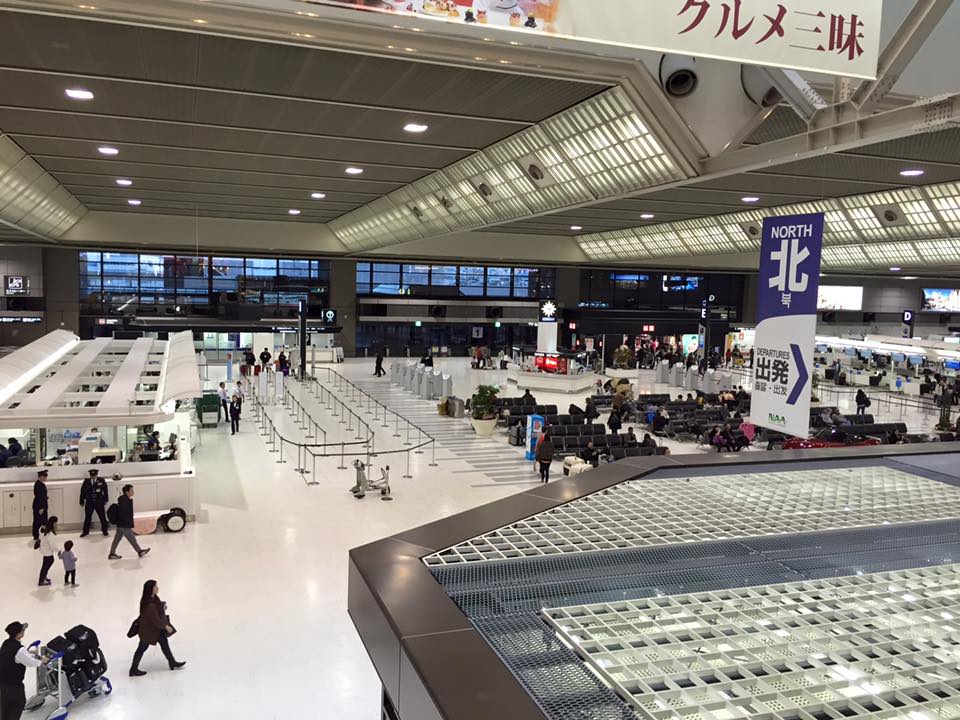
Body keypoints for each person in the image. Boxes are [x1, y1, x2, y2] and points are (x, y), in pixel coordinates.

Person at [129, 580, 185, 676]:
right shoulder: (150, 605)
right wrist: (166, 626)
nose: (157, 588)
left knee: (164, 644)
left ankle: (172, 662)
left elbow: (157, 607)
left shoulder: (152, 599)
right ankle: (133, 669)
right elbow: (156, 620)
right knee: (141, 649)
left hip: (154, 630)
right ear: (151, 589)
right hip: (149, 632)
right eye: (156, 586)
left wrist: (162, 606)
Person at [1, 621, 48, 720]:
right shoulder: (19, 649)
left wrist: (28, 652)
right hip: (14, 684)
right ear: (18, 634)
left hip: (3, 682)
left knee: (6, 706)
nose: (23, 632)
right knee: (19, 703)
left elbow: (16, 656)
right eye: (22, 630)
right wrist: (42, 661)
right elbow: (30, 662)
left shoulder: (6, 643)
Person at [109, 485, 150, 560]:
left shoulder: (125, 499)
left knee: (117, 539)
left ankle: (112, 554)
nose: (133, 492)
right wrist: (127, 524)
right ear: (127, 492)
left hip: (121, 524)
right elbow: (124, 514)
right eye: (131, 490)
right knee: (132, 539)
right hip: (124, 524)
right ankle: (139, 551)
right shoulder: (124, 501)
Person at [79, 468, 109, 537]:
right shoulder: (86, 481)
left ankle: (105, 530)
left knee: (102, 517)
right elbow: (82, 491)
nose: (93, 477)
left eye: (94, 475)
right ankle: (85, 531)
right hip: (89, 501)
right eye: (92, 475)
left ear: (96, 475)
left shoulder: (101, 480)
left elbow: (105, 490)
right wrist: (81, 501)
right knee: (88, 517)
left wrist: (106, 499)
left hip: (99, 501)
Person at [36, 517, 59, 586]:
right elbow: (52, 545)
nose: (56, 525)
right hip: (47, 550)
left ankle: (44, 576)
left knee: (49, 562)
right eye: (55, 523)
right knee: (46, 565)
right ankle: (41, 580)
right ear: (53, 523)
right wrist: (59, 551)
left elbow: (40, 534)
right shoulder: (50, 534)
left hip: (44, 549)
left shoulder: (45, 530)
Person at [31, 470, 48, 542]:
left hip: (42, 506)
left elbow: (42, 495)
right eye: (44, 476)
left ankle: (41, 535)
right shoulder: (38, 485)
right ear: (40, 476)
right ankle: (36, 536)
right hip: (39, 506)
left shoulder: (40, 484)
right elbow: (39, 497)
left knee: (43, 521)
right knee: (38, 522)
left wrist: (45, 497)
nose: (46, 478)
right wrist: (41, 508)